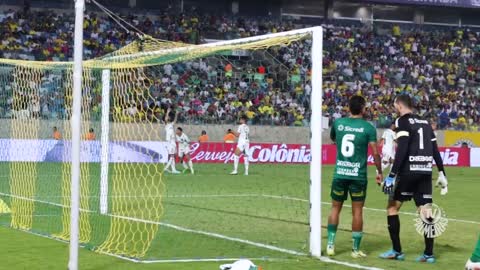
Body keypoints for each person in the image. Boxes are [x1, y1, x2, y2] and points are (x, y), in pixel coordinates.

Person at [380, 95, 448, 263]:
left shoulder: (401, 121)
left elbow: (402, 149)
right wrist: (441, 172)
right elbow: (434, 149)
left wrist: (391, 175)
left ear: (398, 105)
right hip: (425, 171)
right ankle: (428, 254)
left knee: (392, 208)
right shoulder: (425, 123)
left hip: (408, 171)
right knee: (426, 213)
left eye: (394, 105)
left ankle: (397, 251)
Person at [327, 95, 383, 258]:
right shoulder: (368, 128)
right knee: (357, 211)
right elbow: (375, 153)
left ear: (348, 108)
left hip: (340, 173)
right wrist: (379, 172)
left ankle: (330, 245)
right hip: (358, 175)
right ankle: (355, 250)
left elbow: (333, 138)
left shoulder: (338, 123)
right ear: (364, 109)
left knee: (335, 208)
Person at [163, 108, 180, 174]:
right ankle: (166, 168)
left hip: (173, 141)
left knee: (173, 155)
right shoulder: (166, 125)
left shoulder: (171, 124)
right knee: (172, 155)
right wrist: (167, 112)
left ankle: (173, 169)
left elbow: (175, 121)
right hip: (170, 142)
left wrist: (176, 114)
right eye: (168, 117)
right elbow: (166, 119)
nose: (169, 117)